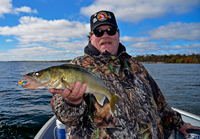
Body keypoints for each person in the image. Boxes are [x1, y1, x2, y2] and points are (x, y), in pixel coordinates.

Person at [49, 10, 199, 139]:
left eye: (111, 31)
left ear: (118, 34)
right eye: (99, 32)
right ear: (91, 37)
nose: (105, 35)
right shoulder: (76, 68)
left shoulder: (136, 67)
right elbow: (66, 117)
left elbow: (160, 104)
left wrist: (179, 124)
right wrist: (72, 102)